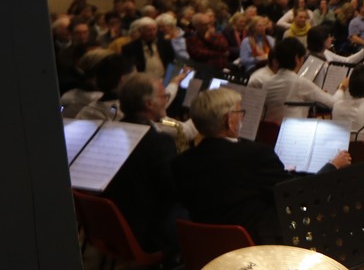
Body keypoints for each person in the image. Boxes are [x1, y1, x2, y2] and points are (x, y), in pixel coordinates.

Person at [174, 88, 350, 243]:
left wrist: (277, 174)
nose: (242, 116)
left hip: (205, 247)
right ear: (228, 120)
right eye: (239, 111)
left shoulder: (182, 161)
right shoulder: (255, 154)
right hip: (253, 246)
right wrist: (332, 166)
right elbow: (298, 193)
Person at [104, 74, 183, 256]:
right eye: (164, 96)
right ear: (149, 104)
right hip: (145, 232)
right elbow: (172, 193)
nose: (166, 100)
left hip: (109, 225)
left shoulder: (108, 132)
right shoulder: (158, 142)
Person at [261, 38, 342, 124]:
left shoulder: (266, 83)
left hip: (270, 131)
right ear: (297, 58)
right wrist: (342, 88)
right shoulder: (299, 82)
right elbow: (333, 103)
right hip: (293, 130)